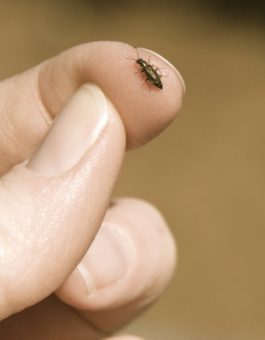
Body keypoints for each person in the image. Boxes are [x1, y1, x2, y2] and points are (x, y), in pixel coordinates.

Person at [0, 41, 185, 339]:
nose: (146, 70)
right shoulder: (142, 72)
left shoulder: (148, 74)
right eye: (144, 69)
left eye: (145, 69)